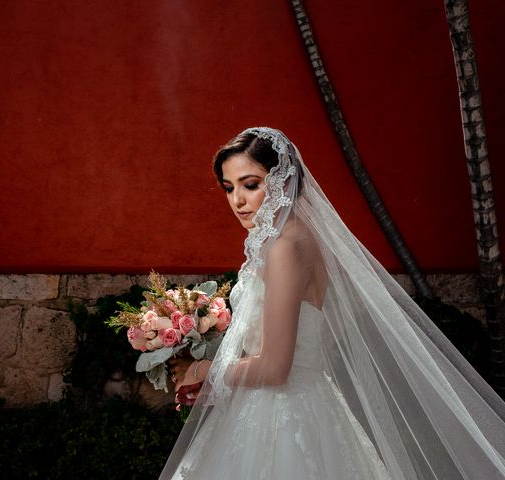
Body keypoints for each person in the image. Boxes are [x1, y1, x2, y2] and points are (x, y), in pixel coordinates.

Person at [160, 127, 505, 479]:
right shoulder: (297, 239)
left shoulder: (285, 248)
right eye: (229, 187)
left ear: (283, 182)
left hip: (280, 417)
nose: (238, 201)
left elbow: (276, 368)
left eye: (251, 184)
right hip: (304, 405)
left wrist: (202, 370)